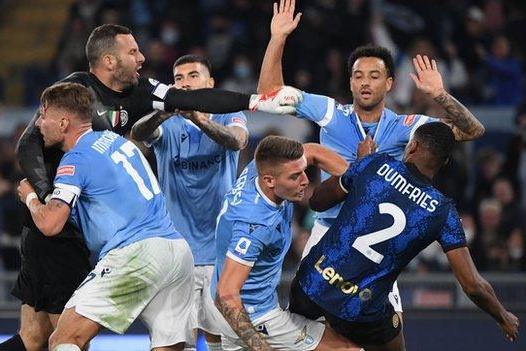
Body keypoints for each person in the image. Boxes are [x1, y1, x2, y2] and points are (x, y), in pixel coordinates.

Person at [0, 23, 301, 351]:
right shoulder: (77, 100)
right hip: (126, 239)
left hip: (112, 237)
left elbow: (192, 104)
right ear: (110, 61)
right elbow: (28, 145)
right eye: (132, 52)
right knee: (43, 338)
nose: (142, 57)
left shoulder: (131, 101)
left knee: (56, 338)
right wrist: (47, 195)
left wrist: (257, 101)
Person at [257, 0, 485, 316]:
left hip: (373, 244)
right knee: (302, 324)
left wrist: (439, 96)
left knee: (389, 332)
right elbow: (268, 93)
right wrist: (278, 37)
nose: (365, 82)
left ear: (389, 83)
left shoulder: (407, 127)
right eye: (359, 75)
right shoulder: (329, 112)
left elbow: (472, 130)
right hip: (327, 230)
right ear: (350, 82)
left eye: (375, 76)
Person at [290, 122, 519, 351]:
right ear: (445, 162)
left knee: (297, 341)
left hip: (312, 283)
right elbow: (472, 285)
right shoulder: (442, 211)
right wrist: (502, 315)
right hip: (359, 308)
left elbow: (317, 202)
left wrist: (357, 168)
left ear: (412, 146)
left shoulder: (374, 163)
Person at [17, 82, 195, 351]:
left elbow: (51, 224)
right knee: (169, 347)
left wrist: (30, 197)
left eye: (43, 115)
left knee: (65, 339)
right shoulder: (117, 141)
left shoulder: (77, 158)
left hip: (136, 252)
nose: (39, 123)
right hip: (177, 252)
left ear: (64, 123)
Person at [131, 54, 248, 350]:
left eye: (193, 76)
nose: (185, 83)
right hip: (176, 252)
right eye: (179, 78)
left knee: (218, 340)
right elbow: (139, 132)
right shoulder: (166, 123)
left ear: (210, 83)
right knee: (172, 342)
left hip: (219, 251)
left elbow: (237, 141)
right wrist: (164, 112)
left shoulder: (227, 115)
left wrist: (197, 116)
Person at [211, 135, 359, 350]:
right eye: (295, 177)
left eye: (303, 172)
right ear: (270, 181)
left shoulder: (261, 168)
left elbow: (313, 152)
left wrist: (359, 180)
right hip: (255, 317)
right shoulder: (256, 226)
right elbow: (226, 295)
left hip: (246, 309)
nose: (305, 181)